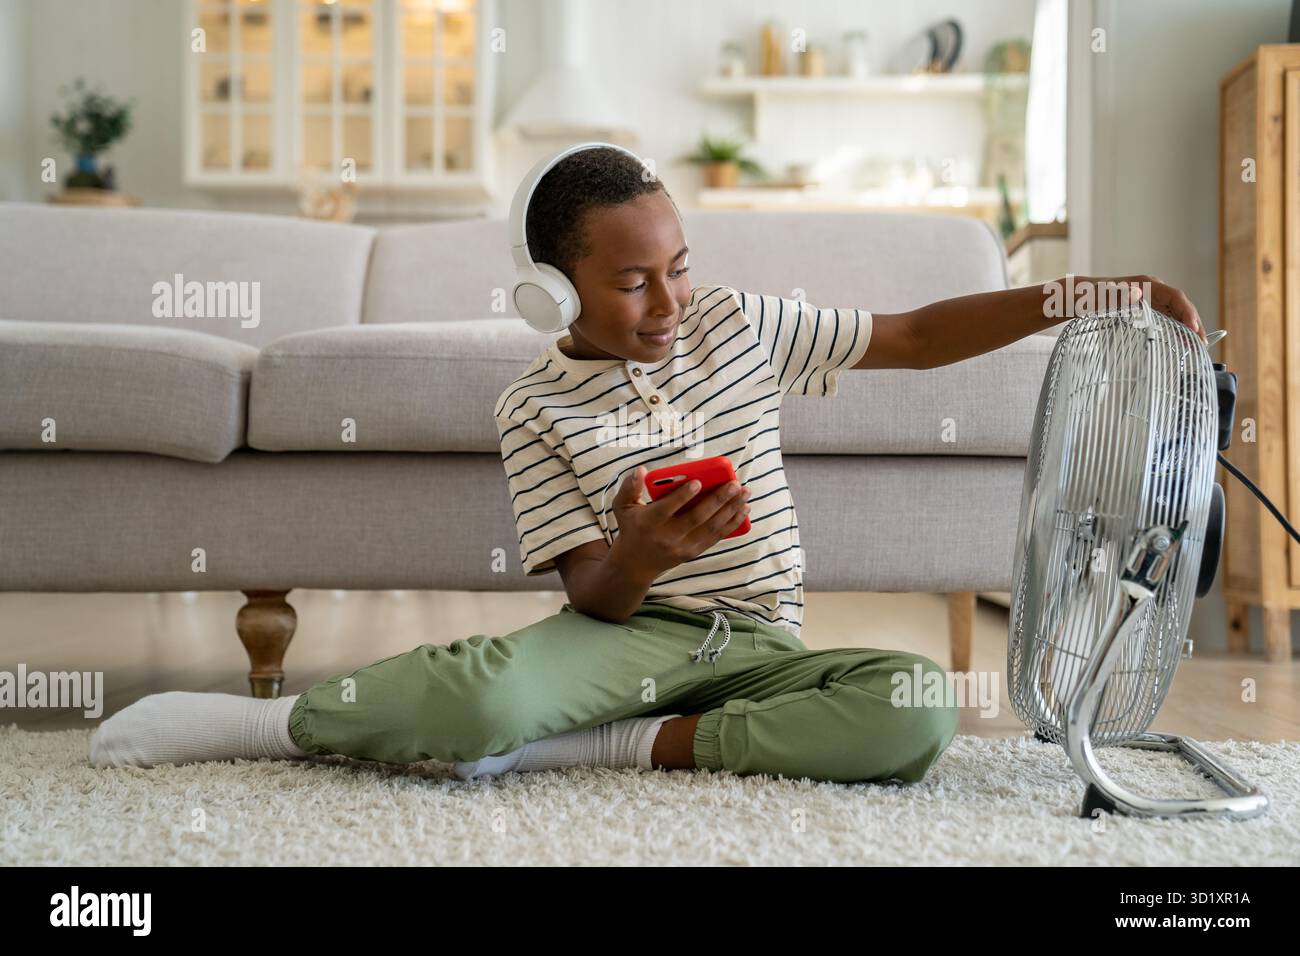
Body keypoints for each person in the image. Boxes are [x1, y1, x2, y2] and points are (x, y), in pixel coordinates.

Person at [89, 145, 1207, 783]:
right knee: (478, 707)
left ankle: (611, 747)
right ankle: (254, 722)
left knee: (915, 708)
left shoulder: (732, 320)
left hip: (762, 641)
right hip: (625, 636)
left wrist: (1095, 294)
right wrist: (636, 550)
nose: (668, 302)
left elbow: (910, 337)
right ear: (554, 290)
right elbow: (590, 592)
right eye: (633, 283)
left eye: (677, 267)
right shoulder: (532, 404)